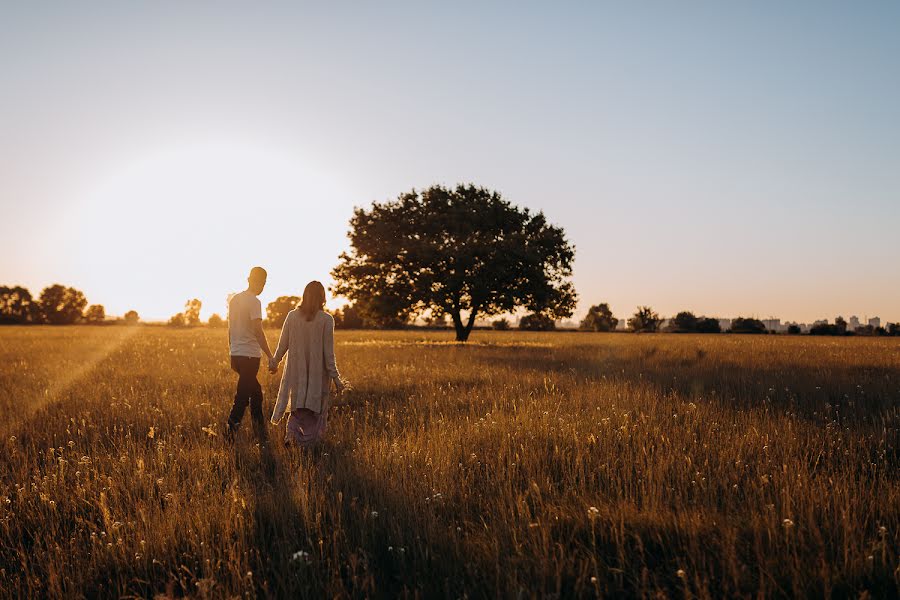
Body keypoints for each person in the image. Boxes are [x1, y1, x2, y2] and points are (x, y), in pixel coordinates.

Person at [269, 280, 345, 447]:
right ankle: (308, 445)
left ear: (304, 296)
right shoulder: (326, 319)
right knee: (313, 410)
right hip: (318, 376)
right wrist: (337, 379)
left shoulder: (292, 316)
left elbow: (283, 345)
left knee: (297, 409)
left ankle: (292, 438)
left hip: (296, 374)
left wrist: (275, 362)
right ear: (322, 298)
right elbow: (328, 354)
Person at [225, 266, 273, 439]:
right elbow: (258, 331)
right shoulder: (254, 302)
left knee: (256, 393)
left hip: (237, 355)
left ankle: (260, 431)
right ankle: (230, 434)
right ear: (257, 281)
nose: (263, 286)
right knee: (242, 396)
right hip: (250, 356)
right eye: (263, 282)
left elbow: (230, 329)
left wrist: (232, 351)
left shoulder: (235, 299)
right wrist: (270, 356)